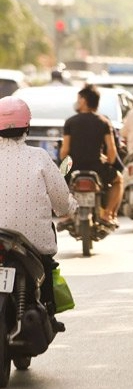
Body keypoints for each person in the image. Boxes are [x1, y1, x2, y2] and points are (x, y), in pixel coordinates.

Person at [0, 96, 77, 332]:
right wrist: (69, 209)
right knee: (47, 264)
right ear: (27, 126)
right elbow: (61, 203)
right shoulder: (40, 157)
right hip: (31, 242)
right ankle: (49, 311)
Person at [60, 84, 123, 226]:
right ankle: (108, 214)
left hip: (73, 166)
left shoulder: (70, 121)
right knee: (118, 180)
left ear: (83, 100)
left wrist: (64, 163)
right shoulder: (104, 122)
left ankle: (65, 214)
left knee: (57, 180)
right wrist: (108, 161)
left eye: (78, 98)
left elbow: (64, 151)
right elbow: (112, 152)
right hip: (97, 167)